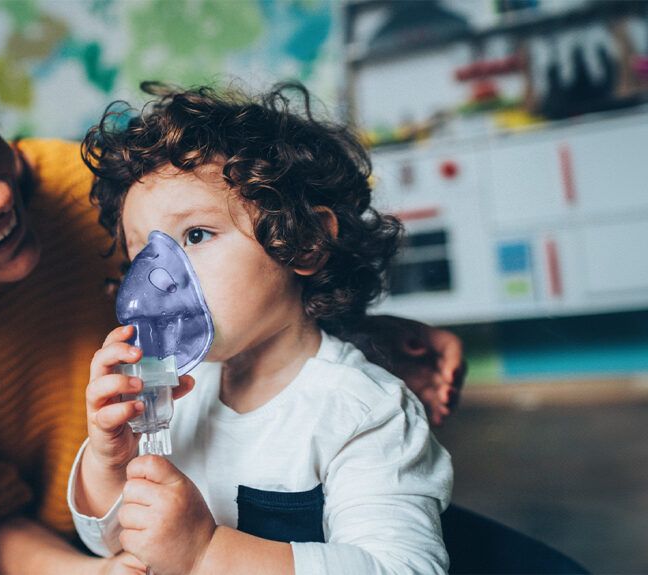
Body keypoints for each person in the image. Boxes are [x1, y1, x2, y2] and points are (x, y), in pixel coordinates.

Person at [0, 27, 465, 573]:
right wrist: (108, 469)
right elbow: (98, 529)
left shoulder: (122, 197)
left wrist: (365, 331)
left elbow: (264, 265)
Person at [70, 83, 452, 574]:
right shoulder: (177, 396)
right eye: (139, 252)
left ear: (305, 242)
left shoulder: (363, 412)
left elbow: (406, 569)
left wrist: (208, 552)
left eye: (196, 235)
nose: (153, 279)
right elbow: (113, 544)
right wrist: (110, 464)